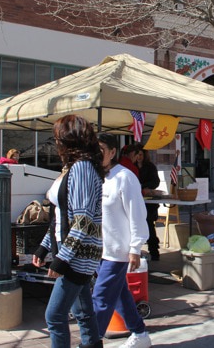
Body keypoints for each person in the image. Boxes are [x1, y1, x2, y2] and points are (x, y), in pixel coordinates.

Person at [31, 115, 105, 348]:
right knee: (83, 312)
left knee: (54, 316)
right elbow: (60, 218)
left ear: (69, 141)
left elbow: (82, 221)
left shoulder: (82, 168)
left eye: (58, 138)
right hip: (75, 253)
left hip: (77, 257)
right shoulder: (74, 167)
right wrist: (44, 247)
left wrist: (62, 259)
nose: (56, 143)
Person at [93, 133, 152, 348]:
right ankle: (139, 333)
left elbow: (137, 214)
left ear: (112, 152)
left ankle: (91, 341)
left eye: (100, 149)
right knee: (119, 295)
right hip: (98, 250)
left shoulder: (125, 177)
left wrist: (136, 247)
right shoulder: (96, 178)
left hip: (118, 252)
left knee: (101, 298)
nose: (96, 154)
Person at [137, 148, 161, 261]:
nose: (139, 157)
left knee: (149, 226)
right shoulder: (132, 166)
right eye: (137, 154)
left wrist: (144, 186)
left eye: (141, 154)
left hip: (148, 202)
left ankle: (154, 251)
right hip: (137, 200)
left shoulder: (150, 166)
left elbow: (156, 181)